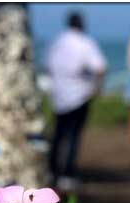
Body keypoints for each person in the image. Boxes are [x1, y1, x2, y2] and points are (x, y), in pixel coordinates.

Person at [46, 12, 107, 191]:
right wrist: (97, 87)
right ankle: (67, 174)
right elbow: (100, 68)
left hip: (58, 96)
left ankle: (52, 171)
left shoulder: (56, 42)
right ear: (82, 24)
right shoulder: (85, 43)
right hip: (79, 96)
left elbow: (48, 66)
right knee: (73, 135)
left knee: (58, 134)